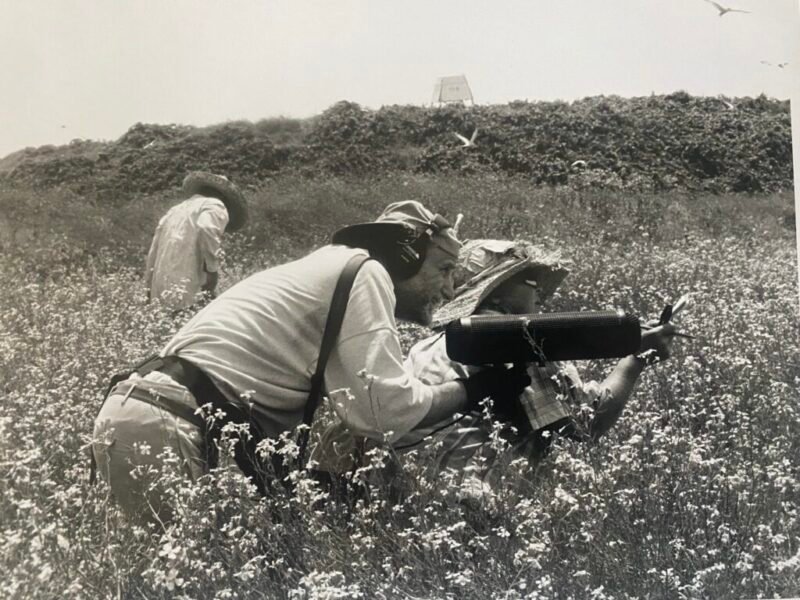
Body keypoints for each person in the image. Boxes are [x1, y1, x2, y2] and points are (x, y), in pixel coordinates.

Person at [92, 202, 530, 523]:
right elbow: (384, 413)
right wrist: (478, 389)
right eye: (445, 269)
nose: (451, 289)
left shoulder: (329, 269)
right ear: (405, 256)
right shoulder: (366, 272)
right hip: (174, 426)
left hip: (143, 413)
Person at [314, 239, 678, 502]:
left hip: (407, 502)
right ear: (498, 293)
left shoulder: (433, 344)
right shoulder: (517, 343)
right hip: (474, 508)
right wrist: (637, 360)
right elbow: (588, 423)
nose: (543, 295)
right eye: (532, 282)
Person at [145, 171, 248, 310]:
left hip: (163, 287)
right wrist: (212, 271)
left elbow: (153, 250)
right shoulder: (215, 204)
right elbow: (207, 228)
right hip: (190, 284)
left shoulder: (175, 210)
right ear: (224, 196)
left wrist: (148, 289)